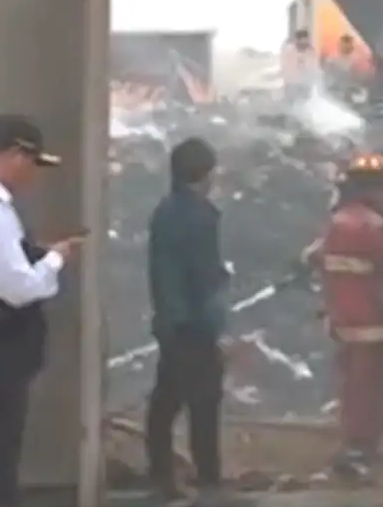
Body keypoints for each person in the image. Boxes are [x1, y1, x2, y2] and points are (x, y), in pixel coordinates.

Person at [0, 114, 82, 507]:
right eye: (33, 164)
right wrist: (55, 261)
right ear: (15, 154)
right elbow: (17, 288)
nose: (33, 176)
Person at [145, 137, 231, 499]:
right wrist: (217, 328)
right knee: (203, 402)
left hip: (172, 322)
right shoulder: (199, 215)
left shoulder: (166, 211)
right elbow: (204, 277)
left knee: (167, 402)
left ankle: (163, 476)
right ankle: (207, 478)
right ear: (205, 174)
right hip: (193, 325)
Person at [316, 150, 383, 480]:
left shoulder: (335, 223)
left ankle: (355, 444)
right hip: (377, 322)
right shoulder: (378, 228)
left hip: (342, 320)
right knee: (373, 389)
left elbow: (323, 265)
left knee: (352, 386)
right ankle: (362, 449)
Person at [280, 29, 319, 106]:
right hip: (291, 85)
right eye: (302, 41)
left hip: (305, 86)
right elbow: (285, 67)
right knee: (290, 106)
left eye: (306, 40)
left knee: (304, 107)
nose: (305, 43)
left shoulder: (311, 52)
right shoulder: (289, 51)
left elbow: (314, 69)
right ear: (297, 40)